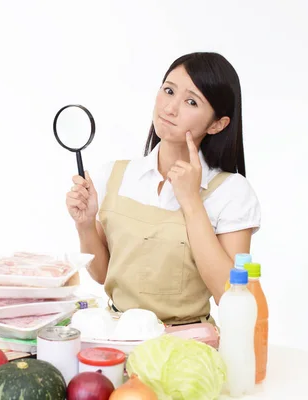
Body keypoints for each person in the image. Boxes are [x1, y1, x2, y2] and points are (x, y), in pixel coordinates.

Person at [66, 52, 261, 326]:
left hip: (188, 344)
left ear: (218, 124)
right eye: (168, 91)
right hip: (118, 336)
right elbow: (103, 274)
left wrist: (191, 201)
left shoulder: (231, 192)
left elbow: (228, 295)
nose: (170, 108)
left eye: (191, 101)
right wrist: (85, 225)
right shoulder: (115, 174)